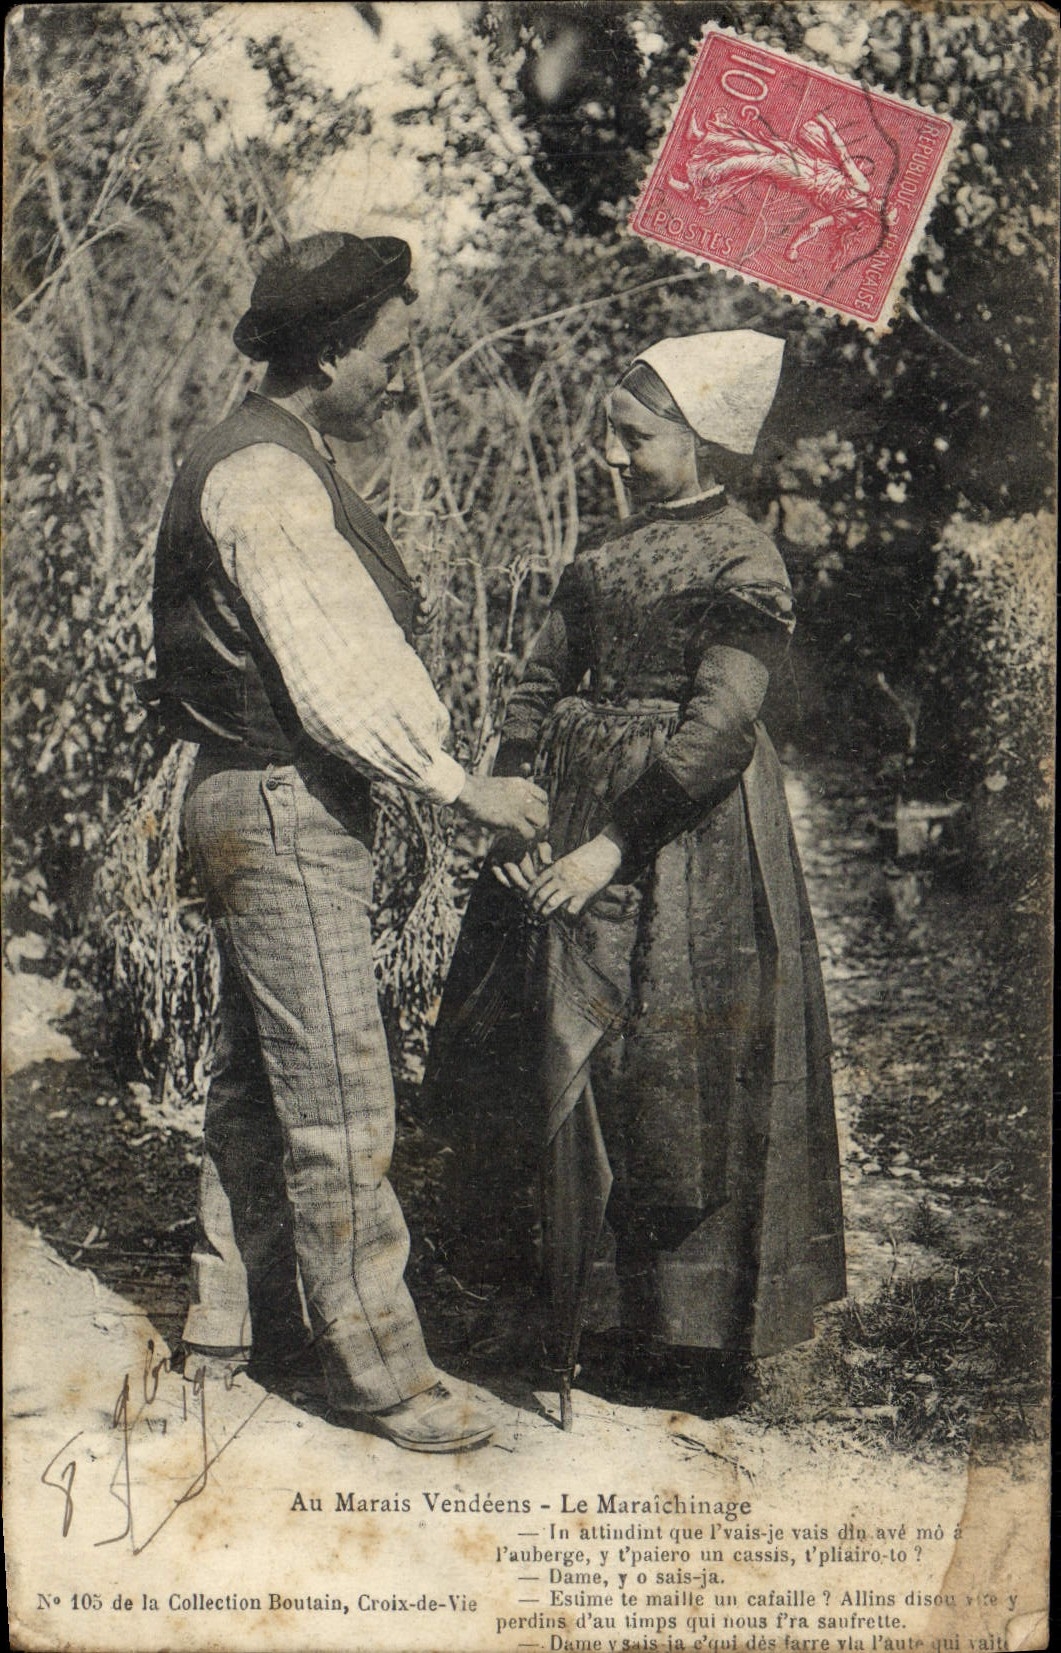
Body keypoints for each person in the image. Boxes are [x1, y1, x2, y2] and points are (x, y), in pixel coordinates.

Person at [147, 231, 548, 1452]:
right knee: (337, 1092)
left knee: (257, 1074)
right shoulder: (269, 476)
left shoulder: (274, 451)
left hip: (245, 791)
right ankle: (382, 1374)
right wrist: (454, 784)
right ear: (328, 352)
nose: (402, 376)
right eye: (392, 352)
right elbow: (334, 668)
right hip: (281, 798)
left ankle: (227, 1322)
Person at [426, 330, 846, 1419]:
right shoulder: (601, 556)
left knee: (671, 1060)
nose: (609, 455)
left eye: (634, 435)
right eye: (608, 434)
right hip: (563, 824)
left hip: (683, 841)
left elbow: (717, 731)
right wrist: (512, 816)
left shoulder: (743, 560)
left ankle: (687, 1336)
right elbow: (535, 683)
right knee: (561, 1057)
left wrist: (611, 843)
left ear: (700, 440)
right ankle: (573, 1310)